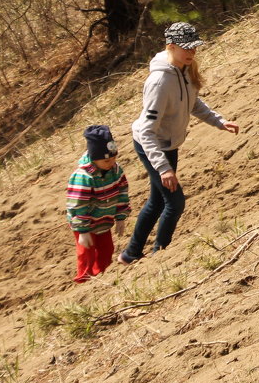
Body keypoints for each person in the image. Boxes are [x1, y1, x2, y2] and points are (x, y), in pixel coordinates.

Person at [120, 22, 239, 264]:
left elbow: (193, 102)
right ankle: (159, 256)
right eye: (187, 48)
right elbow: (146, 131)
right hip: (151, 145)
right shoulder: (159, 82)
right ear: (171, 46)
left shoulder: (183, 69)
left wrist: (218, 121)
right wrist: (163, 169)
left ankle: (130, 254)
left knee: (156, 201)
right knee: (175, 202)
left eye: (194, 48)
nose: (192, 53)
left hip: (169, 144)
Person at [66, 125, 129, 283]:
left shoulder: (116, 171)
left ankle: (102, 275)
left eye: (114, 158)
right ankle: (85, 279)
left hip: (104, 221)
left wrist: (120, 217)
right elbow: (77, 205)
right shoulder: (83, 177)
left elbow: (122, 193)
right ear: (94, 158)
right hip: (86, 222)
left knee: (106, 250)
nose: (111, 163)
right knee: (87, 253)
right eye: (107, 160)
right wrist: (82, 230)